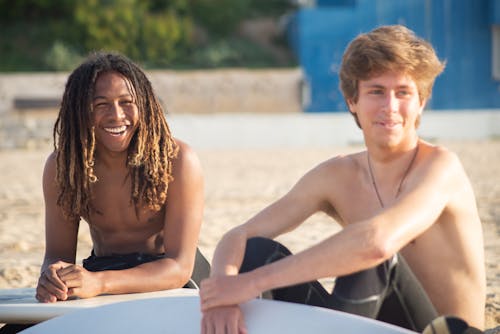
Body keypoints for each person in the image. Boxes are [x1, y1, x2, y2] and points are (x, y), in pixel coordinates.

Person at [199, 25, 486, 333]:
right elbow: (239, 236)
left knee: (374, 257)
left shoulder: (441, 167)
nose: (390, 107)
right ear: (352, 101)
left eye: (403, 92)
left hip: (444, 330)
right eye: (376, 91)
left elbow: (376, 244)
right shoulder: (337, 175)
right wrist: (224, 291)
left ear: (421, 103)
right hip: (376, 323)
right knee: (258, 251)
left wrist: (250, 284)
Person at [33, 52, 210, 303]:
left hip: (173, 280)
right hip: (102, 271)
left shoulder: (178, 160)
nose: (116, 115)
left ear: (145, 104)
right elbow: (56, 256)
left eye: (126, 102)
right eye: (101, 104)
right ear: (80, 110)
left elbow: (179, 267)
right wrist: (52, 278)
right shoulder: (64, 167)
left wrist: (99, 282)